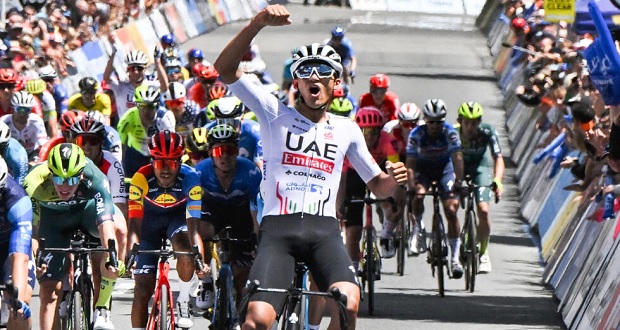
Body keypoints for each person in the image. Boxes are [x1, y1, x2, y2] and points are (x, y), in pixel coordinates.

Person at [213, 5, 407, 329]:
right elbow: (224, 69)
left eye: (322, 72)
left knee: (348, 302)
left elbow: (378, 185)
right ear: (297, 83)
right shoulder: (274, 112)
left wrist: (395, 179)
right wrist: (256, 24)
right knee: (255, 321)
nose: (313, 78)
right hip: (278, 230)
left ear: (336, 82)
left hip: (324, 232)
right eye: (305, 72)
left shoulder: (347, 128)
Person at [24, 143, 120, 330]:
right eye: (58, 179)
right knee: (49, 292)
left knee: (116, 236)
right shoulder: (33, 182)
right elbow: (32, 230)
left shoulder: (96, 177)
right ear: (50, 173)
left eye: (71, 179)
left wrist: (112, 255)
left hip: (85, 214)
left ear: (81, 174)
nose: (65, 186)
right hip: (51, 222)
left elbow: (106, 224)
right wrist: (36, 258)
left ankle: (102, 310)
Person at [127, 130, 205, 329]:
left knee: (185, 248)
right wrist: (130, 252)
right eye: (160, 163)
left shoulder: (191, 178)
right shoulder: (140, 178)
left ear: (180, 162)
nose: (165, 170)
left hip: (177, 221)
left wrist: (199, 259)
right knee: (142, 290)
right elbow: (134, 224)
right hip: (148, 225)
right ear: (151, 162)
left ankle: (184, 301)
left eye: (171, 163)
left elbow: (194, 226)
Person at [194, 124, 261, 309]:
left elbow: (256, 208)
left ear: (237, 151)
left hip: (242, 211)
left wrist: (256, 237)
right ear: (210, 154)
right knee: (203, 229)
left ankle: (239, 316)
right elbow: (191, 209)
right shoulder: (199, 172)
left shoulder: (250, 171)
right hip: (212, 209)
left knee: (242, 276)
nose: (225, 156)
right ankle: (206, 279)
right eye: (219, 151)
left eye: (230, 151)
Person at [405, 98, 465, 279]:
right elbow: (410, 164)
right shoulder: (416, 134)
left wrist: (459, 182)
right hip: (423, 170)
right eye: (430, 122)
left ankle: (455, 259)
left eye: (438, 122)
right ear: (425, 120)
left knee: (451, 209)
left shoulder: (450, 133)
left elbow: (458, 158)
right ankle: (419, 228)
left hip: (444, 170)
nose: (434, 126)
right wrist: (411, 186)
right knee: (418, 196)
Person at [339, 106, 402, 270]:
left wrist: (395, 198)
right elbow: (342, 178)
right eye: (365, 132)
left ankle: (387, 232)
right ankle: (353, 272)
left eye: (374, 132)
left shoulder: (387, 141)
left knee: (393, 203)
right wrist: (339, 204)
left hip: (380, 170)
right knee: (353, 232)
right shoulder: (349, 143)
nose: (370, 137)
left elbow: (394, 171)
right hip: (355, 174)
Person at [70, 115, 129, 263]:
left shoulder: (112, 164)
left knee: (99, 268)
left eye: (93, 141)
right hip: (72, 210)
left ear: (101, 142)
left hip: (100, 213)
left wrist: (118, 234)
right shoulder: (68, 158)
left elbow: (119, 206)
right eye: (82, 141)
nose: (87, 147)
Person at [454, 102, 504, 273]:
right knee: (450, 206)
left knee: (483, 210)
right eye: (467, 122)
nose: (470, 126)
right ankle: (453, 247)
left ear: (480, 121)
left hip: (478, 169)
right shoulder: (452, 132)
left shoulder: (487, 132)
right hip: (456, 168)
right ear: (460, 121)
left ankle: (483, 253)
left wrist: (497, 180)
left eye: (474, 122)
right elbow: (445, 158)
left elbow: (498, 158)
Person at [0, 157, 34, 330]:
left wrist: (18, 301)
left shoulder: (18, 199)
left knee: (20, 301)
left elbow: (20, 257)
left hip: (9, 246)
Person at [117, 84, 175, 179]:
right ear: (136, 105)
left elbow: (171, 145)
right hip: (135, 154)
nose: (146, 110)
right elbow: (120, 145)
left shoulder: (166, 117)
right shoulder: (128, 118)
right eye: (142, 106)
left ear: (157, 105)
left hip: (158, 154)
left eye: (150, 106)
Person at [205, 95, 263, 169]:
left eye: (233, 122)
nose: (228, 127)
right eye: (222, 123)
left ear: (242, 118)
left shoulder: (254, 131)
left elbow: (261, 168)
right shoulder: (208, 130)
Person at [1, 91, 48, 162]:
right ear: (12, 109)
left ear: (31, 111)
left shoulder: (36, 122)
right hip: (9, 157)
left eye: (26, 110)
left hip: (31, 155)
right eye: (19, 109)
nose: (22, 114)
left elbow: (43, 146)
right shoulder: (3, 122)